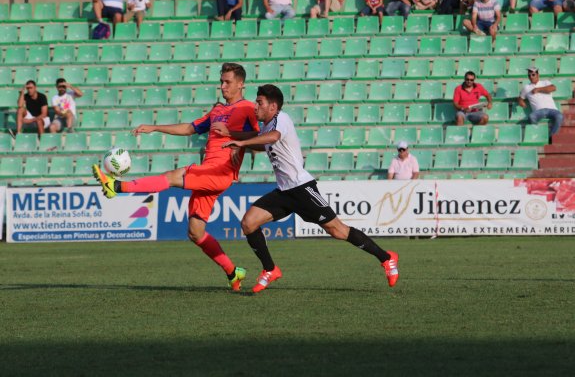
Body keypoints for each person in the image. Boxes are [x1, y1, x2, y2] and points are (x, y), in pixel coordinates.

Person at [92, 63, 260, 291]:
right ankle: (233, 272)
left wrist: (235, 138)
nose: (223, 86)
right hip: (207, 170)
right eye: (221, 81)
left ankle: (116, 186)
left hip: (221, 172)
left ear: (241, 84)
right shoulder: (217, 110)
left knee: (172, 176)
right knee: (195, 231)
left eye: (227, 82)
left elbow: (259, 139)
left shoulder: (249, 108)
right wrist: (154, 127)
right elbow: (190, 128)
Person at [221, 84, 399, 293]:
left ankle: (386, 258)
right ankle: (270, 269)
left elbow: (273, 138)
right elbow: (263, 144)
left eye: (259, 102)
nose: (255, 107)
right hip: (284, 191)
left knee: (338, 231)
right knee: (249, 223)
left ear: (273, 106)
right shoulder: (267, 126)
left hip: (302, 188)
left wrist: (242, 143)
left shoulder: (281, 119)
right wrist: (233, 135)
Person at [518, 67, 563, 139]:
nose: (531, 77)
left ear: (538, 75)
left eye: (533, 74)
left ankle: (550, 136)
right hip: (539, 111)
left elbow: (553, 88)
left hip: (552, 109)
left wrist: (539, 89)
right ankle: (538, 134)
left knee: (559, 116)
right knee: (531, 117)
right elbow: (520, 98)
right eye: (529, 75)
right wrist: (521, 102)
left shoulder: (545, 82)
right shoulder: (526, 87)